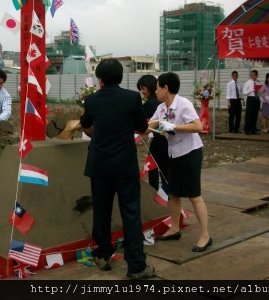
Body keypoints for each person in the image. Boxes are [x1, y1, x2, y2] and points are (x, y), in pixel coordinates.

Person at [80, 58, 154, 279]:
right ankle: (136, 266)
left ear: (99, 79)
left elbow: (85, 123)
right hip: (125, 165)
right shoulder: (132, 98)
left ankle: (103, 254)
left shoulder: (91, 99)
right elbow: (141, 127)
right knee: (131, 213)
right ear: (121, 77)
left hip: (100, 165)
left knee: (101, 211)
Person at [148, 72, 211, 253]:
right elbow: (150, 125)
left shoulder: (184, 104)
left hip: (190, 152)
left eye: (158, 87)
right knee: (174, 192)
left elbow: (198, 126)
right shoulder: (161, 108)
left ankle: (205, 235)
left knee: (194, 195)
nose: (156, 91)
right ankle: (174, 228)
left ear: (165, 88)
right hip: (173, 154)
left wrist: (175, 127)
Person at [137, 74, 169, 191]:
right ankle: (164, 193)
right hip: (165, 139)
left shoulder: (150, 104)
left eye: (143, 88)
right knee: (162, 167)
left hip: (160, 139)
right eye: (140, 89)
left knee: (154, 166)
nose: (142, 92)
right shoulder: (161, 102)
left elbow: (141, 124)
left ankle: (155, 191)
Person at [243, 70, 261, 135]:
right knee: (249, 114)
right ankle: (247, 129)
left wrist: (259, 91)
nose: (253, 76)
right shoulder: (248, 82)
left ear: (256, 75)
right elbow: (244, 92)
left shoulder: (258, 82)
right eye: (252, 75)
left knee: (255, 114)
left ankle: (253, 129)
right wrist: (251, 90)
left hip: (256, 99)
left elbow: (260, 91)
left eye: (254, 75)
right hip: (250, 98)